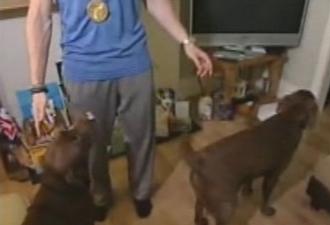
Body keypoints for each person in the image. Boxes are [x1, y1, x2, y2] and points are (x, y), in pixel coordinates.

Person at [26, 0, 213, 218]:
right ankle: (100, 196)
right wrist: (38, 87)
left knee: (141, 136)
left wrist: (186, 41)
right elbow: (39, 16)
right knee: (91, 144)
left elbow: (155, 2)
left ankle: (141, 193)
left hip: (134, 63)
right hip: (84, 70)